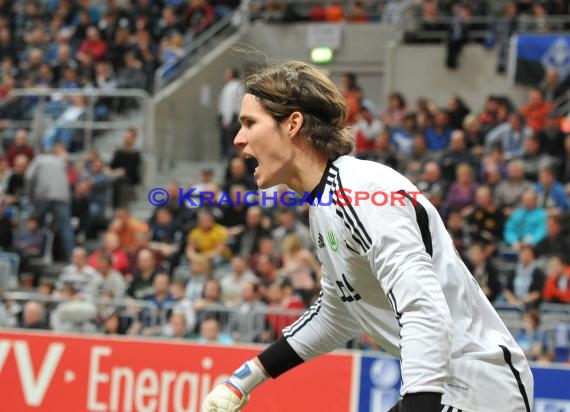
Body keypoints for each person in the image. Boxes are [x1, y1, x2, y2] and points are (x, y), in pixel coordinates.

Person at [201, 60, 533, 412]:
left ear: (293, 124)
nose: (239, 139)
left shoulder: (362, 191)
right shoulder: (327, 204)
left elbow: (423, 309)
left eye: (250, 123)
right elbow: (337, 312)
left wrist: (419, 403)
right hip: (446, 386)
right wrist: (245, 378)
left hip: (478, 389)